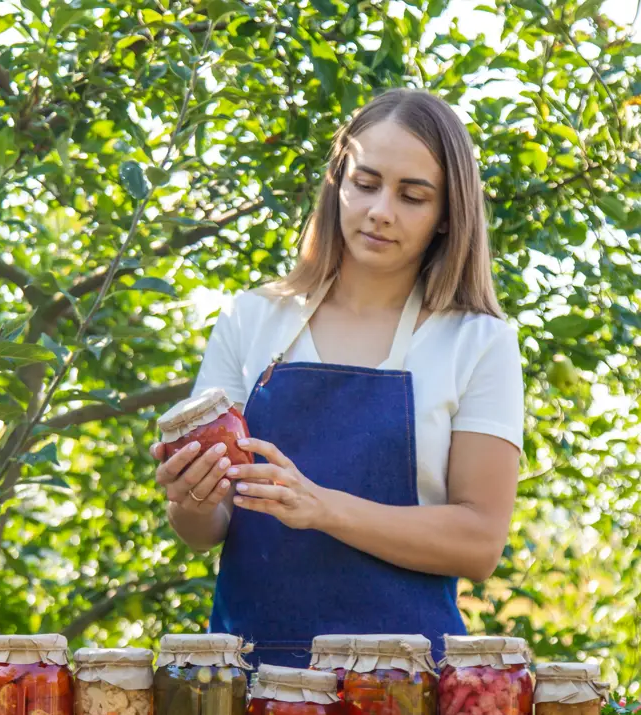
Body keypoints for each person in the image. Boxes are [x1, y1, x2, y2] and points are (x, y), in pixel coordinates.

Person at [150, 89, 524, 667]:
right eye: (365, 183)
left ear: (448, 213)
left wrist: (322, 508)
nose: (381, 211)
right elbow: (207, 527)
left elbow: (479, 542)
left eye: (412, 195)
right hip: (251, 680)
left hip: (405, 692)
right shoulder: (252, 318)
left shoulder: (477, 342)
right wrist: (190, 498)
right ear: (336, 184)